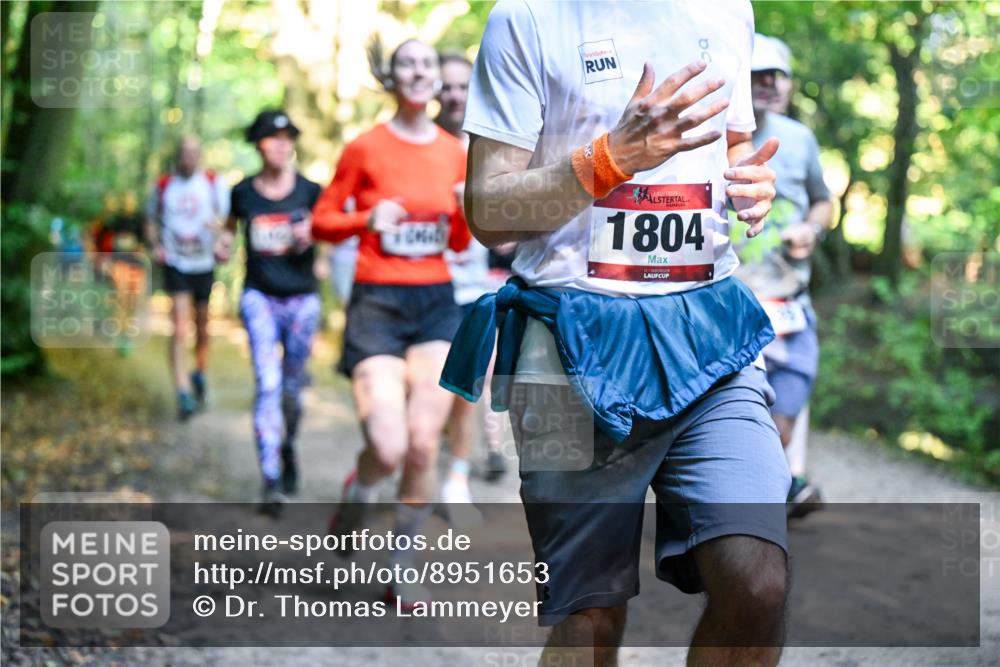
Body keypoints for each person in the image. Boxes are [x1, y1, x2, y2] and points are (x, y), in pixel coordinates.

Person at [442, 2, 787, 665]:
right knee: (590, 617)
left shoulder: (728, 10)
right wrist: (612, 158)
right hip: (568, 340)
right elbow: (489, 210)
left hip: (710, 333)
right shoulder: (527, 18)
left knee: (759, 581)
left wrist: (752, 184)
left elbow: (731, 145)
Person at [312, 39, 471, 607]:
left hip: (435, 301)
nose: (419, 72)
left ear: (437, 78)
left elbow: (457, 241)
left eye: (428, 63)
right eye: (407, 63)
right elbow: (322, 222)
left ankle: (402, 568)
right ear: (391, 77)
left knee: (425, 445)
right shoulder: (364, 149)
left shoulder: (456, 152)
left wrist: (462, 213)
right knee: (387, 444)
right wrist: (365, 218)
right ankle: (361, 487)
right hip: (377, 302)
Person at [737, 34, 833, 517]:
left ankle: (772, 498)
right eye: (758, 74)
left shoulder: (800, 139)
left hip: (790, 305)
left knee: (785, 416)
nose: (770, 84)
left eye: (779, 75)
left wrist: (812, 230)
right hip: (731, 306)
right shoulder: (712, 136)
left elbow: (823, 199)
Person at [215, 110, 322, 516]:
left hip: (303, 301)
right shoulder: (242, 193)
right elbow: (228, 229)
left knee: (292, 390)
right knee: (268, 382)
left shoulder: (312, 191)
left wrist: (314, 236)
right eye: (273, 137)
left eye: (288, 136)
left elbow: (329, 232)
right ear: (258, 144)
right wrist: (223, 245)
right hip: (259, 297)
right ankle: (271, 478)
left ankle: (287, 444)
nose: (281, 143)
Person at [437, 51, 510, 511]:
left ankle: (457, 478)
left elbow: (510, 224)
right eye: (447, 87)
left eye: (463, 86)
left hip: (475, 286)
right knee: (429, 394)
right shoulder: (415, 145)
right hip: (422, 288)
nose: (454, 95)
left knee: (472, 381)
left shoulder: (492, 143)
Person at [145, 137, 229, 420]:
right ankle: (181, 391)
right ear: (178, 156)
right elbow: (148, 220)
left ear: (200, 156)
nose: (188, 158)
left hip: (204, 263)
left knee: (202, 328)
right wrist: (155, 246)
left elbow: (228, 223)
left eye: (194, 153)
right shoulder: (163, 186)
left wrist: (218, 235)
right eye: (184, 153)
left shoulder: (213, 184)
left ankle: (200, 373)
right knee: (179, 328)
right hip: (176, 263)